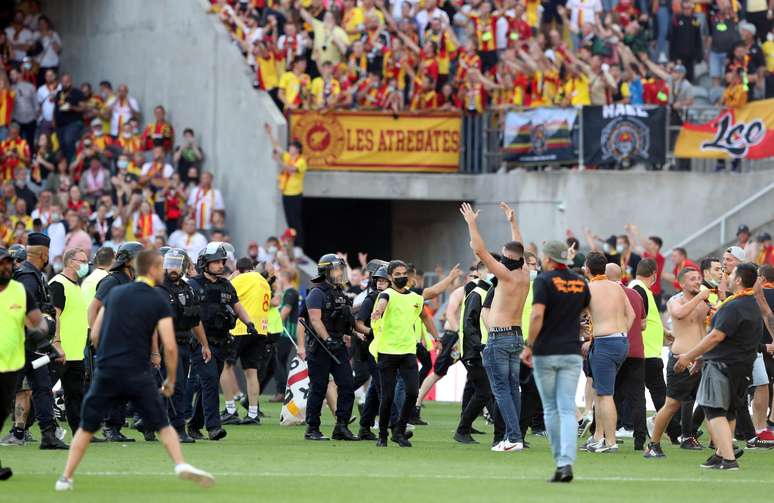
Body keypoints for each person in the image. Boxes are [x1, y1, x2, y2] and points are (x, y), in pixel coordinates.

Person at [55, 250, 214, 491]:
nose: (163, 270)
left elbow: (96, 332)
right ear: (151, 270)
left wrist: (105, 353)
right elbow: (170, 347)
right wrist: (171, 380)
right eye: (160, 266)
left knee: (86, 427)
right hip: (137, 372)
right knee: (163, 424)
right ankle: (180, 463)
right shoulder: (157, 299)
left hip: (108, 370)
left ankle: (66, 477)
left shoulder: (116, 293)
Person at [674, 263, 763, 471]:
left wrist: (689, 356)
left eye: (731, 274)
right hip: (742, 366)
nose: (728, 277)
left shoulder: (734, 306)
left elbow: (716, 336)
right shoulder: (750, 304)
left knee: (713, 410)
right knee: (729, 412)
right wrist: (701, 358)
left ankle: (729, 459)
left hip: (723, 365)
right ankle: (720, 454)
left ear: (739, 280)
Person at [459, 202, 530, 452]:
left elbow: (479, 250)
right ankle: (515, 435)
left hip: (499, 338)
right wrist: (513, 223)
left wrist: (471, 222)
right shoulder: (525, 273)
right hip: (516, 337)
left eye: (502, 254)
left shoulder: (506, 274)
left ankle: (513, 438)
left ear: (507, 258)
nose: (499, 257)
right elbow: (518, 248)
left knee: (502, 391)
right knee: (513, 390)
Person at [521, 240, 590, 483]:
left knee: (550, 409)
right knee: (567, 408)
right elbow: (586, 310)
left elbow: (537, 313)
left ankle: (560, 461)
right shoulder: (581, 282)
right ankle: (567, 461)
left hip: (546, 351)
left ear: (549, 259)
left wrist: (529, 345)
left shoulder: (544, 280)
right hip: (571, 351)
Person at [187, 243, 257, 440]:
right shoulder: (194, 285)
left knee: (206, 385)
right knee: (209, 382)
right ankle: (214, 427)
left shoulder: (226, 284)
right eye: (216, 262)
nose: (220, 265)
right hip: (202, 343)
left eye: (222, 261)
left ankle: (194, 425)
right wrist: (204, 345)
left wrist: (249, 322)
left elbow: (236, 304)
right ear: (204, 264)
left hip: (221, 342)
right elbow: (194, 318)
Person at [644, 268, 709, 459]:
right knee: (672, 404)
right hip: (681, 358)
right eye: (692, 279)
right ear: (681, 283)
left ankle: (719, 447)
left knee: (710, 403)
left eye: (699, 279)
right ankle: (653, 444)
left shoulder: (705, 302)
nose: (697, 282)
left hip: (701, 360)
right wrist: (700, 298)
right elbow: (679, 314)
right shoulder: (676, 300)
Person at [12, 232, 67, 449]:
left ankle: (48, 436)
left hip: (31, 345)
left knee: (42, 387)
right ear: (43, 254)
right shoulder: (28, 276)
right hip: (24, 344)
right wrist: (46, 345)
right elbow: (24, 313)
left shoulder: (32, 275)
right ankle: (47, 435)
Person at [87, 241, 144, 442]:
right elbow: (93, 308)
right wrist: (98, 338)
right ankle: (110, 427)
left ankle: (115, 426)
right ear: (127, 260)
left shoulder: (131, 281)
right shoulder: (113, 280)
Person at [0, 246, 49, 480]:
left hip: (11, 366)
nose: (6, 266)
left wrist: (40, 333)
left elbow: (38, 321)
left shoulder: (20, 290)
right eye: (2, 263)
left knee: (1, 413)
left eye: (8, 262)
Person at [370, 259, 431, 447]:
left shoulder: (415, 298)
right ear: (390, 277)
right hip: (387, 352)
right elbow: (382, 303)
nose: (401, 276)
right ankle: (382, 435)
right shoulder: (386, 294)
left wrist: (437, 338)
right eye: (397, 274)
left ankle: (399, 431)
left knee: (413, 392)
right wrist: (378, 312)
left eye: (404, 273)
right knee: (387, 396)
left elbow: (425, 317)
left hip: (407, 352)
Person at [156, 248, 211, 443]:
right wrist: (154, 351)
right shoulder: (159, 289)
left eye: (177, 264)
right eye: (170, 263)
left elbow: (196, 321)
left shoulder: (188, 290)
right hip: (165, 344)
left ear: (185, 267)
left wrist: (205, 345)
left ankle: (150, 422)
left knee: (173, 386)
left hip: (185, 344)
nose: (173, 268)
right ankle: (178, 428)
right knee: (177, 385)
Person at [583, 252, 634, 453]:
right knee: (599, 390)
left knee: (605, 394)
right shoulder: (617, 287)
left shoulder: (588, 288)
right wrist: (621, 333)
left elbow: (579, 312)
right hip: (620, 341)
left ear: (587, 268)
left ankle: (610, 441)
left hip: (605, 343)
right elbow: (631, 314)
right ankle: (598, 438)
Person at [304, 254, 358, 441]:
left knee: (347, 384)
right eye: (336, 269)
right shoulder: (316, 293)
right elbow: (315, 320)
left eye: (340, 270)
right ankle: (312, 428)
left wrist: (361, 332)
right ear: (326, 271)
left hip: (338, 346)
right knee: (318, 387)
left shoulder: (341, 294)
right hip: (321, 347)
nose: (340, 273)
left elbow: (348, 320)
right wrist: (327, 339)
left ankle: (341, 426)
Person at [631, 259, 680, 444]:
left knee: (649, 395)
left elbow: (648, 319)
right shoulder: (639, 290)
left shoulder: (640, 289)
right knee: (659, 396)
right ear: (654, 274)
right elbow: (638, 320)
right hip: (645, 351)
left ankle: (672, 431)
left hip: (646, 350)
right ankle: (674, 432)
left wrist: (664, 332)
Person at [222, 257, 272, 425]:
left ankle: (230, 410)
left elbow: (223, 291)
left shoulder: (241, 278)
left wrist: (232, 277)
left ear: (240, 269)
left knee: (225, 366)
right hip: (260, 330)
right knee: (252, 373)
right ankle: (252, 413)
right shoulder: (264, 281)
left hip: (240, 328)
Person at [48, 248, 90, 437]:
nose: (86, 264)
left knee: (75, 395)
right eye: (83, 260)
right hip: (60, 350)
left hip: (75, 352)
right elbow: (54, 315)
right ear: (71, 262)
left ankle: (79, 432)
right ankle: (21, 429)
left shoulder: (76, 285)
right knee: (41, 391)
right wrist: (57, 342)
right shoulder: (58, 284)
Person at [607, 263, 647, 451]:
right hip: (636, 351)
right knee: (638, 397)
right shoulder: (636, 295)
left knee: (608, 395)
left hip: (613, 349)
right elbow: (643, 324)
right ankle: (640, 441)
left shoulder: (605, 295)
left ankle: (607, 436)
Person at [265, 123, 307, 249]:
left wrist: (278, 160)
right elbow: (277, 148)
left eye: (292, 147)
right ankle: (293, 244)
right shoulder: (288, 157)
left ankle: (299, 246)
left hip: (295, 194)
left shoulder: (301, 161)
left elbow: (291, 170)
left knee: (296, 221)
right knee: (290, 222)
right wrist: (270, 133)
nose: (290, 148)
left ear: (298, 149)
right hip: (286, 193)